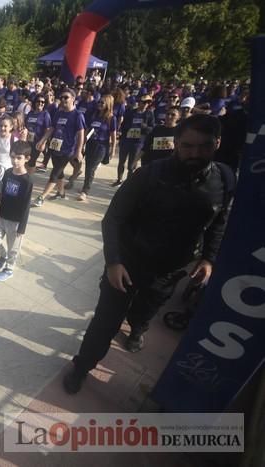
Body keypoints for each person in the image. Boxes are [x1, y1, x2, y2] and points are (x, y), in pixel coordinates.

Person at [63, 115, 234, 395]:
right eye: (188, 146)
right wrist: (114, 262)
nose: (195, 153)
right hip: (128, 265)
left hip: (170, 271)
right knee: (105, 323)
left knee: (145, 313)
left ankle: (138, 329)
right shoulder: (149, 175)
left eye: (204, 146)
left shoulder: (225, 179)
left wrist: (209, 258)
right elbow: (113, 219)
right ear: (176, 144)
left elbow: (218, 222)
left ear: (217, 144)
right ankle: (82, 366)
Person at [0, 140, 35, 281]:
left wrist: (22, 227)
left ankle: (9, 269)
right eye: (13, 156)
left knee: (13, 248)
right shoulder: (8, 173)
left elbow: (26, 205)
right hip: (2, 216)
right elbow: (1, 194)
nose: (15, 161)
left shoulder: (28, 180)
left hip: (16, 221)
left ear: (27, 159)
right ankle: (3, 255)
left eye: (19, 158)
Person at [33, 88, 86, 207]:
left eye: (66, 97)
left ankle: (41, 197)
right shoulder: (59, 113)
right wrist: (42, 140)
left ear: (73, 99)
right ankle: (61, 192)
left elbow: (81, 133)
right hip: (54, 147)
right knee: (59, 170)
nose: (63, 99)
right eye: (61, 97)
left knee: (55, 173)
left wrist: (78, 151)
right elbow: (52, 128)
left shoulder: (78, 115)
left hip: (67, 150)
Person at [75, 94, 117, 201]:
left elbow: (113, 135)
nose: (99, 104)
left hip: (101, 146)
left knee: (91, 168)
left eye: (102, 102)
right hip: (90, 144)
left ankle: (85, 191)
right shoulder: (95, 115)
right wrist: (83, 143)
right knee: (88, 167)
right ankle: (85, 186)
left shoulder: (112, 118)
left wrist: (112, 150)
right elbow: (88, 129)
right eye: (99, 102)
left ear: (107, 104)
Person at [112, 94, 155, 186]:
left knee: (132, 165)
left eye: (147, 103)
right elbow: (123, 125)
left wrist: (145, 127)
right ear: (139, 102)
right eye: (143, 102)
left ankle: (128, 182)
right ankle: (119, 179)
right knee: (121, 162)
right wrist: (128, 129)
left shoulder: (149, 114)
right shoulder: (131, 112)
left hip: (138, 142)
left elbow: (152, 128)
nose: (145, 104)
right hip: (126, 140)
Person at [24, 94, 52, 172]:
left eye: (42, 102)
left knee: (31, 162)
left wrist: (43, 143)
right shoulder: (30, 113)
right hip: (28, 142)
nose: (40, 103)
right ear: (35, 102)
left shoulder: (45, 115)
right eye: (38, 101)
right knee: (26, 161)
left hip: (37, 143)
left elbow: (48, 130)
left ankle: (28, 179)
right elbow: (26, 125)